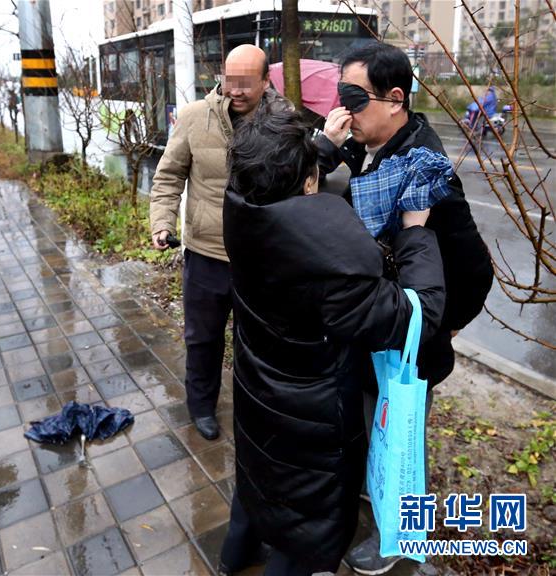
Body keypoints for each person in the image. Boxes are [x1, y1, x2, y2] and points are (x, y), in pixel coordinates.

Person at [220, 107, 446, 575]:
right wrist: (416, 234)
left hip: (257, 386)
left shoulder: (241, 209)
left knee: (257, 479)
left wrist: (319, 149)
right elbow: (418, 315)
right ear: (306, 185)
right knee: (301, 529)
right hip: (310, 417)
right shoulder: (331, 270)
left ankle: (233, 556)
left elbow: (275, 183)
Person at [318, 41, 493, 574]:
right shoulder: (368, 149)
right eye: (339, 96)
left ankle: (400, 546)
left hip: (407, 346)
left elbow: (471, 268)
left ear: (395, 99)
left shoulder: (422, 169)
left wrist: (441, 327)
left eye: (355, 97)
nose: (343, 111)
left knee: (400, 444)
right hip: (372, 334)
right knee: (375, 433)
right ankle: (381, 513)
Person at [149, 44, 288, 440]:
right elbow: (169, 176)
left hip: (260, 260)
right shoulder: (194, 117)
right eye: (230, 80)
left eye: (247, 82)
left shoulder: (282, 121)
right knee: (203, 339)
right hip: (205, 255)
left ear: (266, 81)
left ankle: (255, 411)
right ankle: (201, 407)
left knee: (258, 344)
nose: (237, 90)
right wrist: (162, 222)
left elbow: (298, 183)